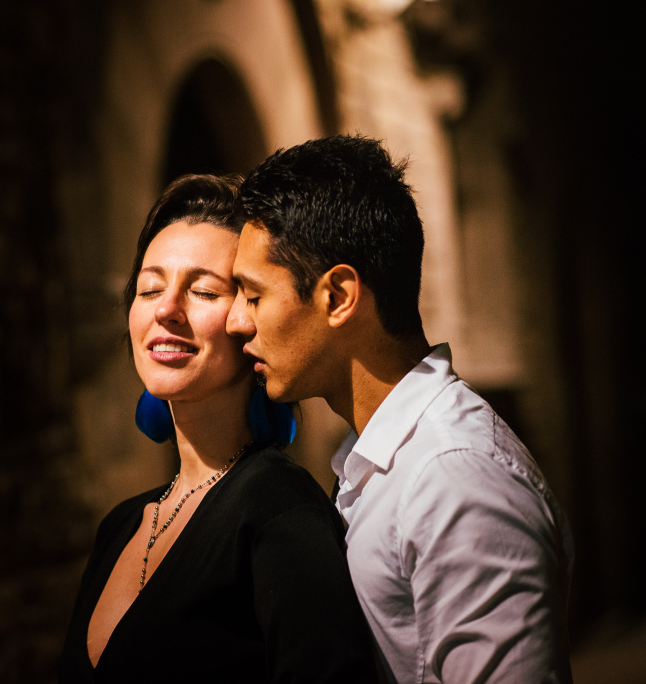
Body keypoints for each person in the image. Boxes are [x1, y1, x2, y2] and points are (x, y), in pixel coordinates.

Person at [227, 135, 575, 683]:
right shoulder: (387, 459)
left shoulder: (453, 478)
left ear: (338, 296)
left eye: (253, 295)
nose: (236, 321)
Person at [58, 174, 380, 683]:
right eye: (150, 288)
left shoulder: (279, 508)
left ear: (251, 321)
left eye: (204, 291)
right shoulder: (120, 526)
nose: (166, 309)